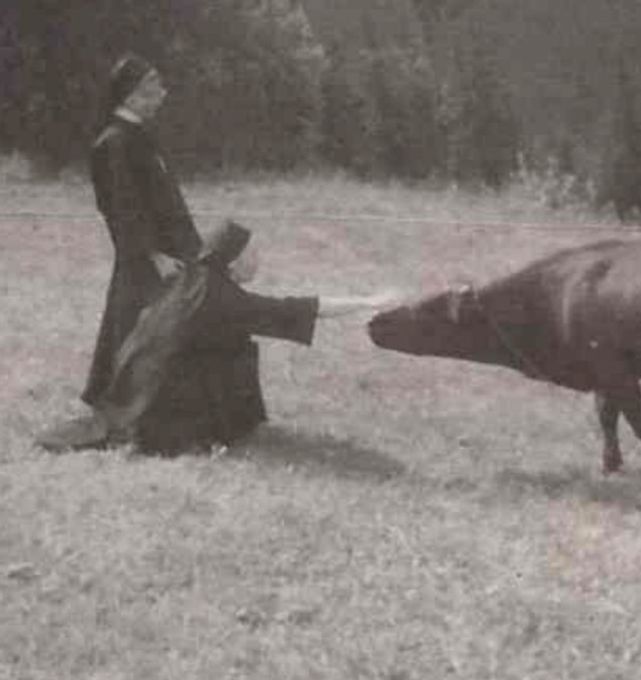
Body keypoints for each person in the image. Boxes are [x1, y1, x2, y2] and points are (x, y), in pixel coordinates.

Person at [44, 220, 398, 454]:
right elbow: (297, 309)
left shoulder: (195, 278)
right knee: (235, 353)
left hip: (130, 392)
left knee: (230, 347)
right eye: (252, 254)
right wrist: (367, 301)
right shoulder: (225, 300)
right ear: (232, 262)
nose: (258, 261)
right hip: (156, 406)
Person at [34, 53, 202, 452]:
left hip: (171, 253)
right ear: (131, 93)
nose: (162, 94)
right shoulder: (113, 142)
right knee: (132, 335)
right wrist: (152, 256)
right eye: (153, 87)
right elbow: (122, 209)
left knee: (157, 334)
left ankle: (153, 410)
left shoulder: (141, 135)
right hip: (145, 259)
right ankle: (123, 415)